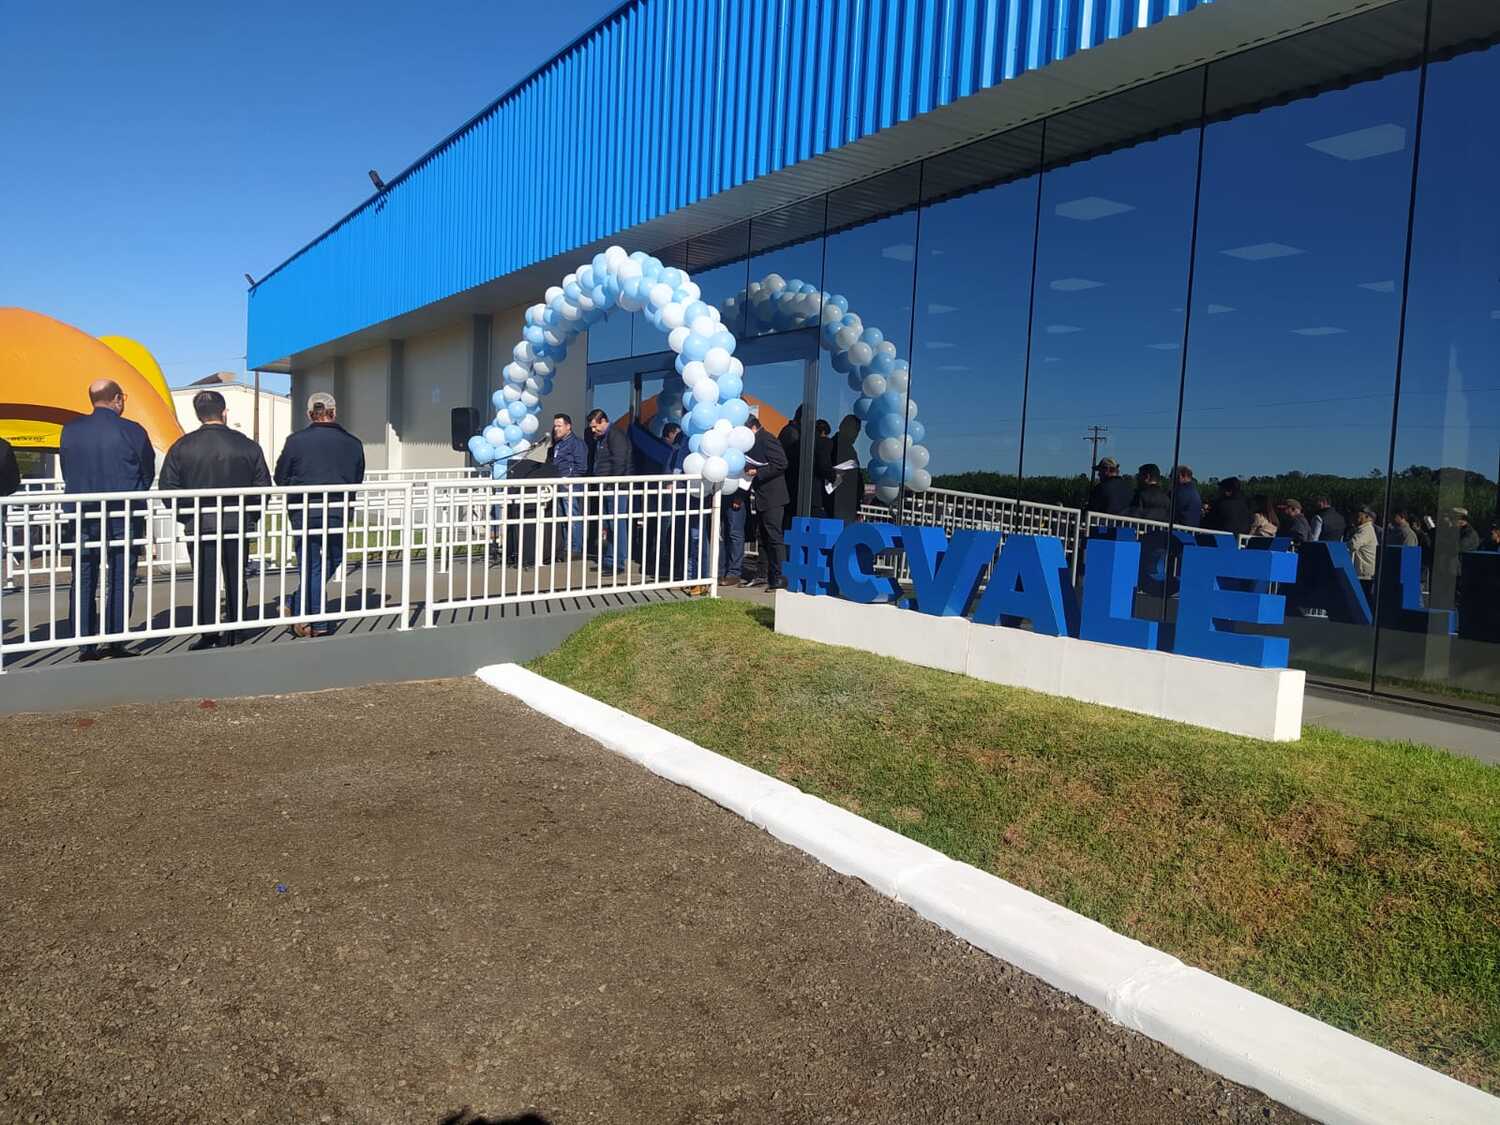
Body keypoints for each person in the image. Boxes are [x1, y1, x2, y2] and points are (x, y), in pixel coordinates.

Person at [159, 390, 272, 649]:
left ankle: (208, 632)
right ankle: (236, 628)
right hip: (237, 521)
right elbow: (262, 486)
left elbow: (168, 487)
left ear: (198, 415)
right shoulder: (246, 445)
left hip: (200, 522)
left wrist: (187, 516)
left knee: (205, 577)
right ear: (224, 412)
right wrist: (251, 515)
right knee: (236, 576)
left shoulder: (182, 446)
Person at [59, 379, 156, 660]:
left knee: (84, 575)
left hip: (82, 512)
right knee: (121, 575)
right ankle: (115, 639)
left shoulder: (71, 430)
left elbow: (68, 470)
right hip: (123, 512)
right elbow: (147, 471)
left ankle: (85, 643)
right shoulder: (133, 430)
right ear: (117, 399)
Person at [274, 391, 365, 638]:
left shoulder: (295, 441)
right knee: (334, 558)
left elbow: (280, 476)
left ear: (309, 414)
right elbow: (357, 478)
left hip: (304, 510)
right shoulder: (353, 443)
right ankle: (316, 619)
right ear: (334, 412)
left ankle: (300, 606)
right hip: (337, 510)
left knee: (311, 565)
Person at [586, 408, 633, 574]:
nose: (593, 430)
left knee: (616, 524)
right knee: (608, 524)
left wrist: (612, 483)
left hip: (615, 487)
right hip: (607, 486)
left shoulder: (615, 435)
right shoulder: (603, 437)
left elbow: (619, 461)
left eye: (595, 426)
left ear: (604, 421)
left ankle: (618, 562)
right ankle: (609, 559)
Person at [744, 414, 789, 589]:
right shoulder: (754, 442)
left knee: (774, 536)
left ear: (753, 427)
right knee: (762, 536)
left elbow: (781, 463)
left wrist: (758, 472)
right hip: (762, 496)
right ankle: (762, 574)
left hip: (773, 496)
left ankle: (779, 576)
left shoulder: (766, 439)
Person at [548, 412, 587, 558]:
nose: (556, 429)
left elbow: (581, 466)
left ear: (568, 426)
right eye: (555, 426)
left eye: (559, 426)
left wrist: (569, 479)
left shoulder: (576, 443)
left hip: (570, 486)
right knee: (563, 518)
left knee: (572, 517)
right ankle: (565, 547)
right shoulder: (558, 444)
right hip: (558, 485)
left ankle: (575, 549)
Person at [824, 414, 864, 523]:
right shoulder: (833, 446)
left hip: (846, 506)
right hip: (838, 506)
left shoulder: (849, 449)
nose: (856, 434)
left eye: (858, 431)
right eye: (854, 429)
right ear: (843, 427)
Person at [1348, 505, 1379, 583]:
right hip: (1363, 572)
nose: (1356, 518)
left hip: (1365, 574)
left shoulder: (1366, 530)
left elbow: (1352, 545)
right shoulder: (1363, 529)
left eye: (1359, 516)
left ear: (1367, 516)